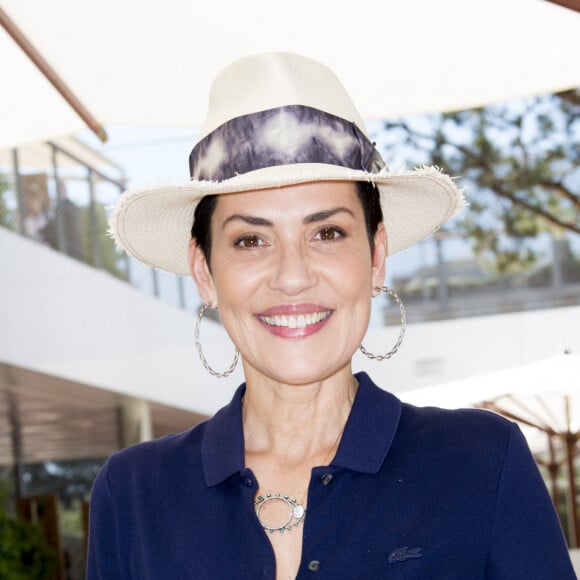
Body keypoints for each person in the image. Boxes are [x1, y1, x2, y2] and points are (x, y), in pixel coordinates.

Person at [87, 52, 575, 579]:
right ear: (204, 272)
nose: (292, 275)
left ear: (376, 257)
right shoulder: (133, 494)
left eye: (327, 233)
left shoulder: (482, 461)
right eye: (251, 240)